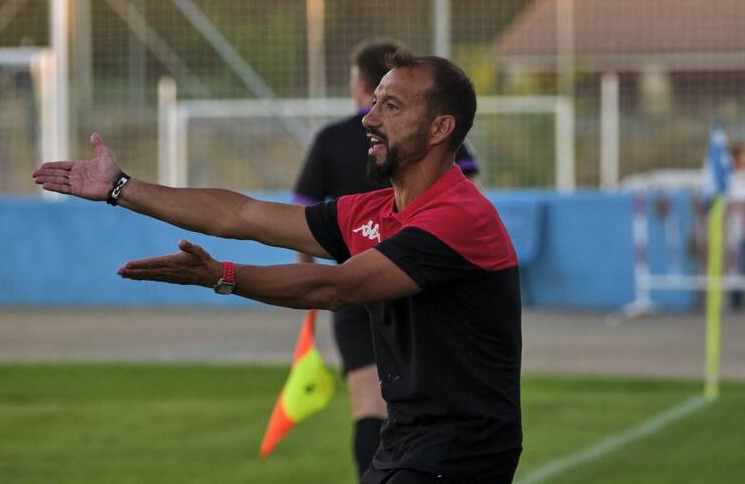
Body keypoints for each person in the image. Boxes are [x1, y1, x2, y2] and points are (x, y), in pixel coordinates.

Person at [33, 51, 522, 484]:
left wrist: (222, 276)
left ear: (440, 129)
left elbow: (336, 288)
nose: (369, 118)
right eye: (374, 102)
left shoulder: (459, 216)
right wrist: (121, 187)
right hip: (407, 445)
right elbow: (243, 215)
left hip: (462, 454)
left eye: (391, 107)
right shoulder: (371, 211)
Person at [292, 38, 480, 478]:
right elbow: (467, 193)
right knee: (436, 406)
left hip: (356, 284)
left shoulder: (332, 138)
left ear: (360, 82)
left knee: (368, 406)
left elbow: (303, 221)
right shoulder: (430, 130)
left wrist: (310, 286)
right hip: (424, 279)